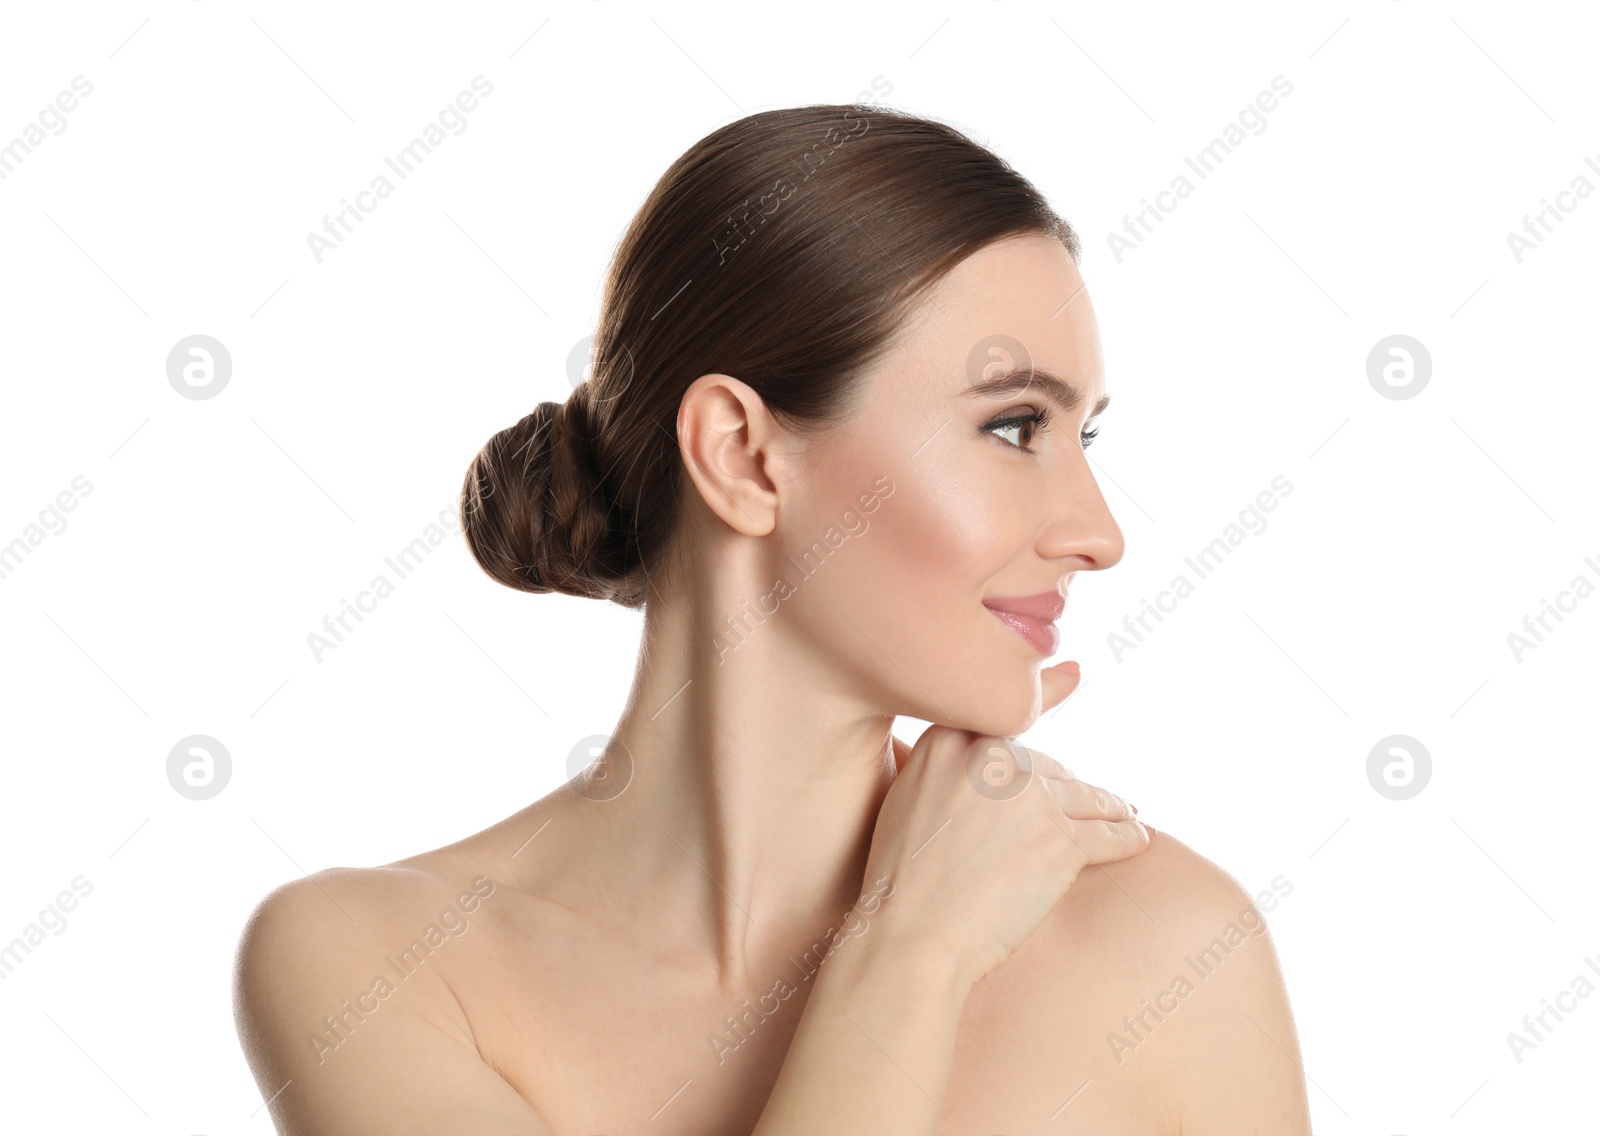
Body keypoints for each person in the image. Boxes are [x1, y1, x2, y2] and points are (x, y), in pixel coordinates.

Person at [233, 104, 1312, 1135]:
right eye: (1015, 426)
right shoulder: (374, 964)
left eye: (1088, 436)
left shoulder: (1171, 946)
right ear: (743, 456)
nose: (1097, 531)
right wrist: (909, 950)